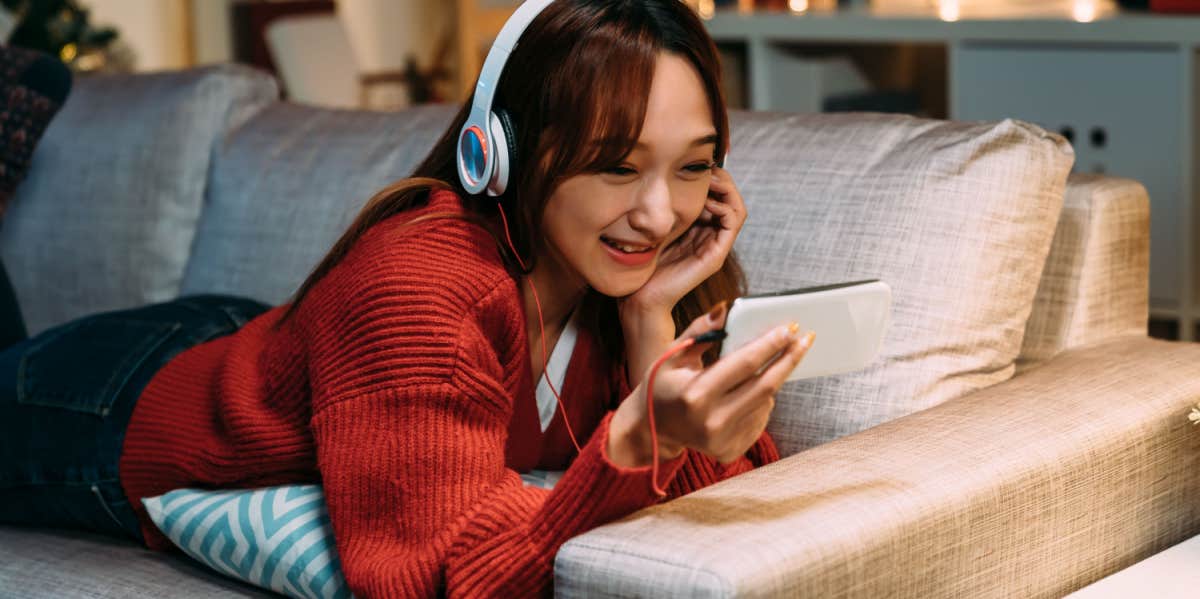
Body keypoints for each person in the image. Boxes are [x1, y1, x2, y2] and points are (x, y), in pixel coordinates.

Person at [0, 1, 815, 596]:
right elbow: (432, 578)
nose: (663, 213)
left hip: (261, 337)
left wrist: (650, 326)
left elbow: (740, 491)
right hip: (121, 403)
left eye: (694, 165)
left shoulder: (625, 280)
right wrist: (636, 446)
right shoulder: (417, 287)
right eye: (617, 165)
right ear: (500, 152)